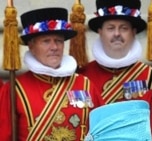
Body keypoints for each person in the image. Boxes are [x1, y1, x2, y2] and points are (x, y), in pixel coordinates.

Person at [0, 7, 103, 141]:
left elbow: (103, 130)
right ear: (31, 46)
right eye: (46, 41)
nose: (54, 47)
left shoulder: (85, 84)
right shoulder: (14, 89)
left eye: (58, 41)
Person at [78, 0, 152, 106]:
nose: (117, 33)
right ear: (100, 32)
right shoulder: (83, 76)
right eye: (110, 28)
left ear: (133, 32)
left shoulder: (151, 77)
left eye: (124, 28)